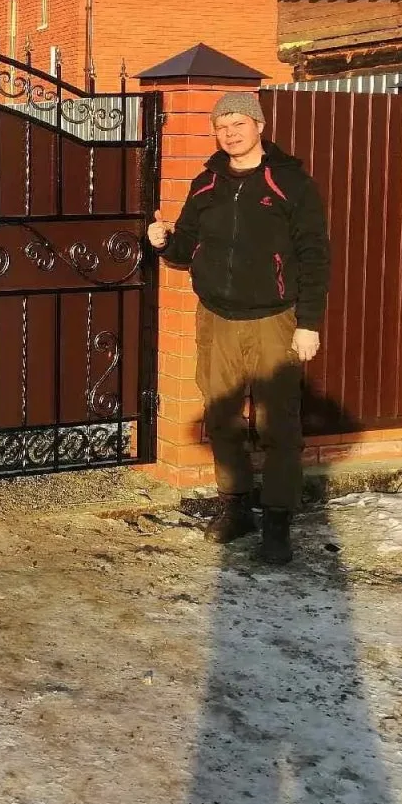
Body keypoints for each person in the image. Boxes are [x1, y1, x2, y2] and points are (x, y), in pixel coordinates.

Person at [147, 92, 330, 564]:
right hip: (217, 318)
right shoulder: (206, 182)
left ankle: (278, 522)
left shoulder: (290, 182)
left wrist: (308, 324)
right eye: (222, 126)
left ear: (259, 126)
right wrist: (163, 241)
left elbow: (314, 255)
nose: (229, 134)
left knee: (277, 423)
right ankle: (236, 507)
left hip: (274, 318)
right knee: (222, 417)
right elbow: (186, 247)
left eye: (238, 124)